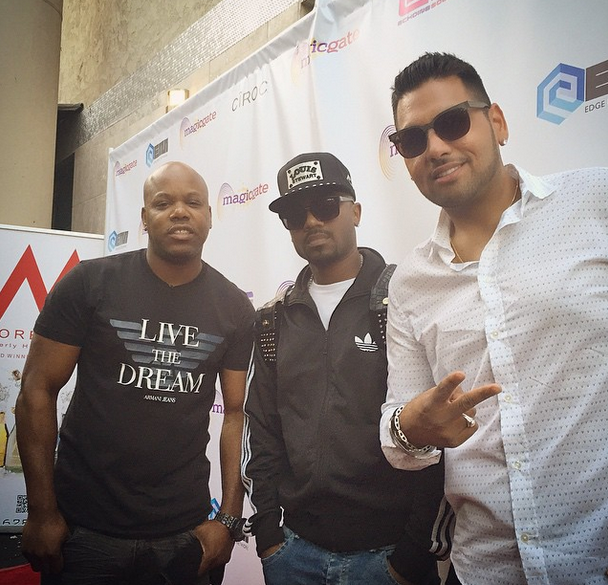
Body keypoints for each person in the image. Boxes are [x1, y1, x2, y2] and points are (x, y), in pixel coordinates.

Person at [381, 51, 608, 585]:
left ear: (498, 122)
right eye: (412, 140)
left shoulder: (594, 201)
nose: (436, 147)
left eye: (452, 122)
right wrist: (411, 428)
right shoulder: (409, 281)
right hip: (483, 568)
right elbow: (399, 432)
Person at [15, 161, 255, 584]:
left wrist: (229, 520)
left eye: (193, 202)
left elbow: (236, 413)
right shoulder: (89, 284)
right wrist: (41, 511)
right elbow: (37, 389)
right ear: (144, 218)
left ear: (209, 216)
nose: (179, 212)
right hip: (84, 529)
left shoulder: (234, 306)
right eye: (163, 203)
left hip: (185, 533)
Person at [241, 152, 450, 585]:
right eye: (295, 214)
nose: (311, 221)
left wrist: (414, 553)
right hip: (293, 552)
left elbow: (440, 431)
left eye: (325, 206)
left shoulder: (402, 299)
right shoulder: (273, 319)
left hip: (391, 556)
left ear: (355, 211)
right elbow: (261, 431)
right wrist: (268, 535)